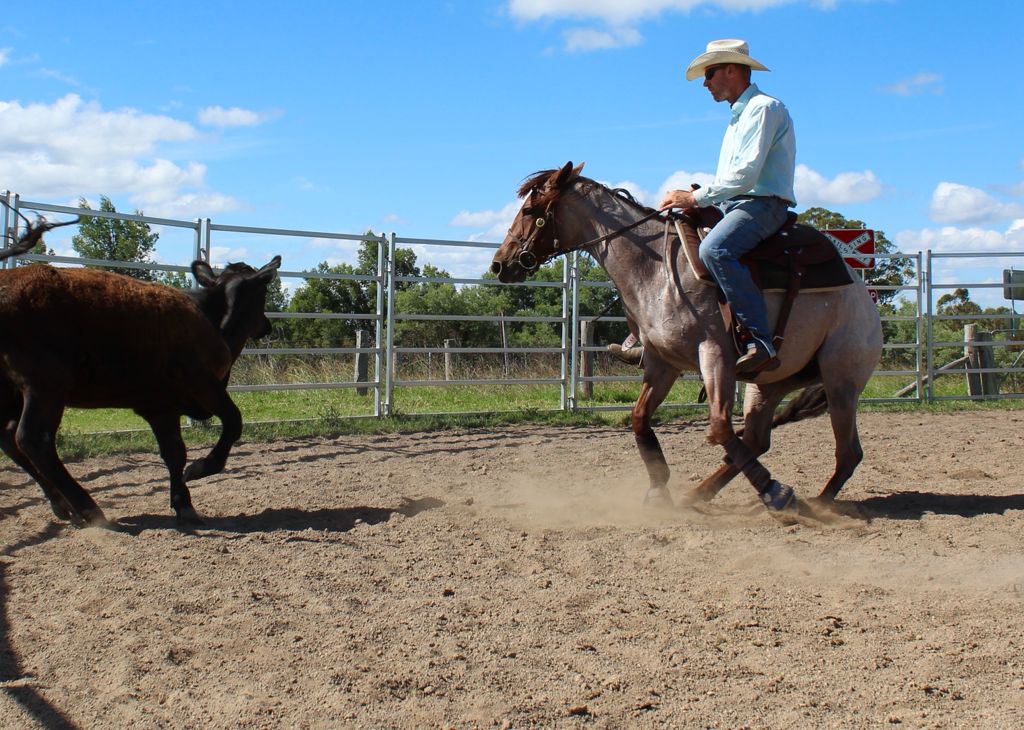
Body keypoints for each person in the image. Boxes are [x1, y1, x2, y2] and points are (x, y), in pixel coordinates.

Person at [659, 38, 797, 375]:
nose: (705, 83)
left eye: (709, 73)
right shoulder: (740, 116)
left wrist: (696, 197)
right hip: (737, 204)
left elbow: (746, 175)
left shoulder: (764, 108)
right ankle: (651, 337)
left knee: (715, 250)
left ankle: (760, 341)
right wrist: (697, 196)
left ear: (732, 70)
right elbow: (734, 179)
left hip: (763, 205)